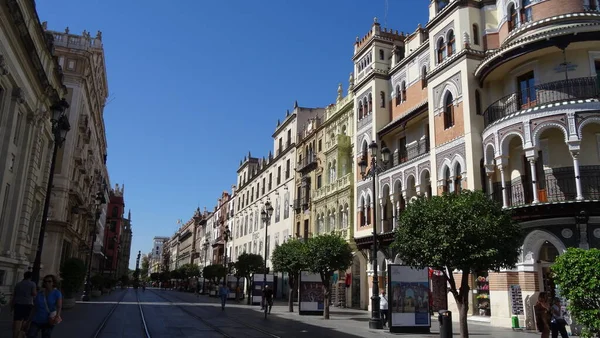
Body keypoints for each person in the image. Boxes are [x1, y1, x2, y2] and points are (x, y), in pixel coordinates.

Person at [11, 271, 37, 338]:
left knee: (17, 320)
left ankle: (15, 335)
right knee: (25, 320)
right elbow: (34, 293)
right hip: (27, 304)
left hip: (18, 304)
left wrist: (12, 305)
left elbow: (14, 295)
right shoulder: (32, 284)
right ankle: (22, 334)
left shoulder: (18, 284)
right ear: (31, 277)